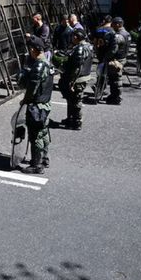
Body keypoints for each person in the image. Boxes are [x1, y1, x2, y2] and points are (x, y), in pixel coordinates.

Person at [18, 36, 53, 174]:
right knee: (43, 132)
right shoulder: (48, 63)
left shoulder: (38, 65)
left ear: (33, 49)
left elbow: (32, 88)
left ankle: (36, 165)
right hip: (46, 104)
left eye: (30, 48)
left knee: (36, 135)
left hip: (37, 106)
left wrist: (25, 100)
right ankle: (44, 158)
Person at [56, 29, 93, 130]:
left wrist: (72, 81)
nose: (72, 38)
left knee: (76, 100)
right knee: (71, 99)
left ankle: (77, 121)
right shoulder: (88, 46)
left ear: (76, 37)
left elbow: (77, 67)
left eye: (73, 36)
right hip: (82, 77)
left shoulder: (80, 49)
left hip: (78, 79)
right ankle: (70, 118)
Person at [107, 17, 130, 105]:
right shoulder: (127, 33)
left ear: (118, 24)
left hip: (117, 59)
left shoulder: (119, 35)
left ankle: (116, 97)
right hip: (123, 58)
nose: (112, 26)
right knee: (117, 78)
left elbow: (114, 49)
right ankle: (115, 96)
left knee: (115, 79)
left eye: (113, 24)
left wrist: (107, 56)